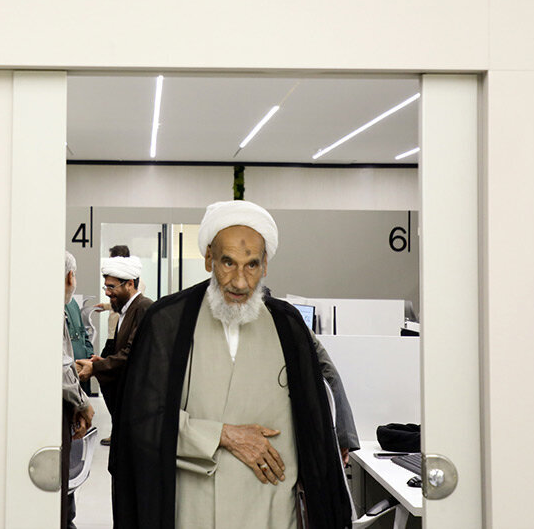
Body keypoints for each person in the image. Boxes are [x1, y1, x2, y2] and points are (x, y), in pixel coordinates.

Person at [111, 201, 354, 529]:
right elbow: (140, 421)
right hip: (194, 513)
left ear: (265, 265)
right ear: (209, 258)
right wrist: (222, 435)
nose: (240, 282)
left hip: (273, 514)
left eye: (251, 265)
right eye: (228, 263)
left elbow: (315, 427)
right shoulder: (168, 322)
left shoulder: (288, 326)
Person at [75, 255, 153, 444]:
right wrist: (101, 363)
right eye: (106, 287)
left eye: (112, 287)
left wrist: (95, 368)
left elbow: (132, 353)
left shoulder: (143, 308)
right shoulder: (126, 310)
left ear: (130, 284)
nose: (108, 293)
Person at [62, 252, 94, 529]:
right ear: (70, 276)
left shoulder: (66, 306)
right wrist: (82, 403)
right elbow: (61, 367)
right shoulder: (55, 309)